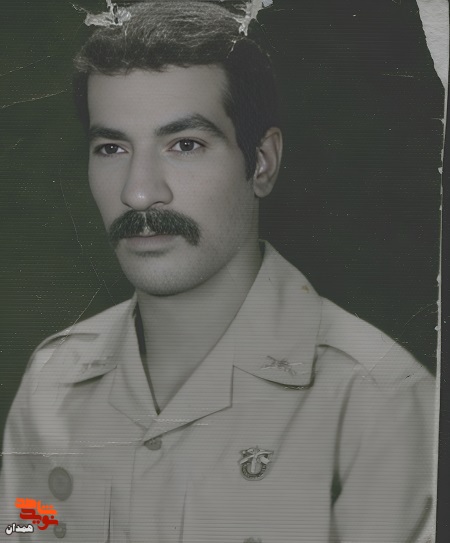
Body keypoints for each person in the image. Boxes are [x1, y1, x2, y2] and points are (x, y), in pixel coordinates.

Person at [0, 1, 436, 542]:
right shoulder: (53, 383)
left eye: (184, 145)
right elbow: (22, 529)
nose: (139, 192)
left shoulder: (378, 402)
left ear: (262, 163)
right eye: (111, 147)